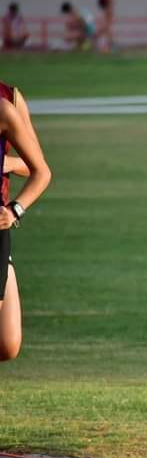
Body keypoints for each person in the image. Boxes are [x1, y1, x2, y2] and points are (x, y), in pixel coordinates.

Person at [0, 81, 53, 361]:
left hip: (2, 220)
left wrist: (7, 163)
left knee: (8, 345)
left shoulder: (9, 100)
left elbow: (35, 164)